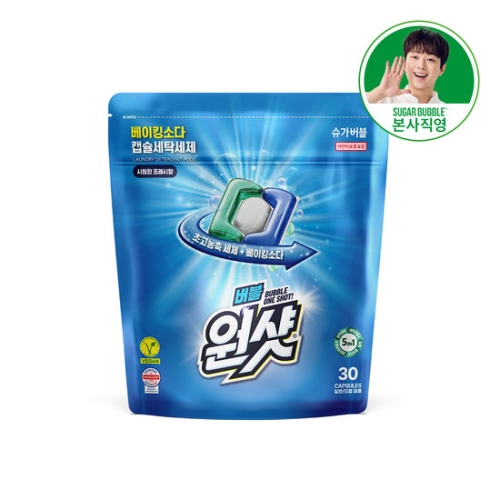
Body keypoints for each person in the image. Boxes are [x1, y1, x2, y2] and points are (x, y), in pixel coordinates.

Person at [366, 28, 449, 104]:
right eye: (415, 57)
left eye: (430, 59)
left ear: (441, 69)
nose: (421, 66)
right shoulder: (381, 100)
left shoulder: (447, 110)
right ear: (405, 64)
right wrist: (379, 92)